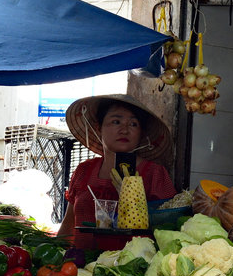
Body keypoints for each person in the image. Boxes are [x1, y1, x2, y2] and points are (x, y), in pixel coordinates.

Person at [58, 94, 176, 247]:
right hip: (81, 260)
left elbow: (168, 228)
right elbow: (68, 226)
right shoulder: (84, 170)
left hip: (132, 261)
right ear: (99, 128)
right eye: (116, 121)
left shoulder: (154, 174)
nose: (124, 130)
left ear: (141, 133)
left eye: (133, 124)